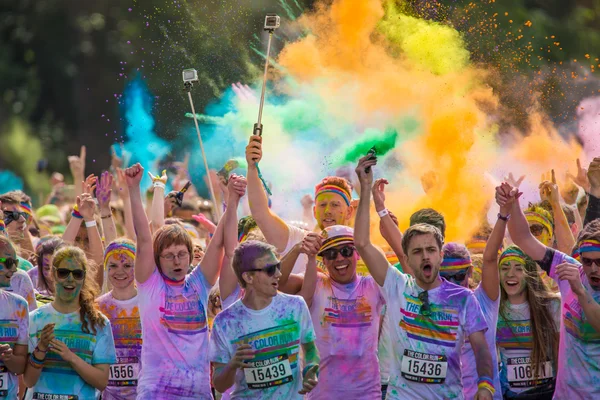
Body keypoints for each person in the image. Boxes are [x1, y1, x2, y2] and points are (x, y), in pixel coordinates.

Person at [353, 155, 494, 400]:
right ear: (406, 258)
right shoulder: (396, 285)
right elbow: (363, 243)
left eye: (430, 251)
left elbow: (481, 348)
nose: (425, 257)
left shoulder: (463, 299)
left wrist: (485, 386)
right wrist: (365, 189)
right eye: (417, 252)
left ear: (441, 255)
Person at [125, 163, 234, 399]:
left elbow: (218, 243)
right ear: (158, 259)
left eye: (182, 254)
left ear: (190, 254)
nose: (177, 261)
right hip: (156, 392)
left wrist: (230, 198)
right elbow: (144, 238)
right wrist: (133, 190)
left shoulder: (199, 283)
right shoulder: (149, 283)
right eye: (168, 256)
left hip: (198, 393)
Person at [501, 177, 600, 399]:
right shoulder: (570, 269)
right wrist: (513, 206)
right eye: (587, 261)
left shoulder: (576, 281)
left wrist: (580, 291)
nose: (593, 268)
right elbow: (523, 238)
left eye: (599, 262)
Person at [209, 240, 320, 399]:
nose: (278, 274)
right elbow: (219, 385)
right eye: (270, 269)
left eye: (278, 266)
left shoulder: (295, 306)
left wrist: (311, 368)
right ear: (248, 277)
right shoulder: (225, 322)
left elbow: (310, 349)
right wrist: (233, 365)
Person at [296, 225, 384, 399]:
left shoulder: (372, 286)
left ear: (357, 254)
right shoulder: (318, 285)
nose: (339, 258)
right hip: (323, 394)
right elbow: (288, 289)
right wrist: (310, 256)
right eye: (330, 254)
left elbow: (405, 280)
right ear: (324, 260)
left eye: (346, 251)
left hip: (367, 394)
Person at [245, 135, 354, 274]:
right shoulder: (299, 240)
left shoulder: (361, 248)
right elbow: (261, 213)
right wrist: (252, 168)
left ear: (349, 211)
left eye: (335, 205)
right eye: (322, 205)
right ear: (314, 211)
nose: (327, 210)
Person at [23, 246, 117, 400]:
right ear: (53, 274)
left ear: (84, 277)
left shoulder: (99, 323)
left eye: (77, 274)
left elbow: (101, 382)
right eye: (63, 273)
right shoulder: (35, 319)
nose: (70, 279)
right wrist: (41, 348)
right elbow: (28, 381)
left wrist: (71, 357)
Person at [439, 241, 502, 399]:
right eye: (445, 277)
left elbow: (490, 259)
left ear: (470, 272)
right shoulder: (431, 304)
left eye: (459, 276)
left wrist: (503, 218)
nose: (453, 283)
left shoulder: (484, 299)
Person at [96, 239, 141, 400]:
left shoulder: (150, 304)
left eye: (127, 266)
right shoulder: (97, 307)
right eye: (113, 266)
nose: (119, 271)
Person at [0, 236, 29, 400]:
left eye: (15, 263)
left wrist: (8, 357)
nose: (13, 269)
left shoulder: (19, 306)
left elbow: (20, 366)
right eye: (8, 262)